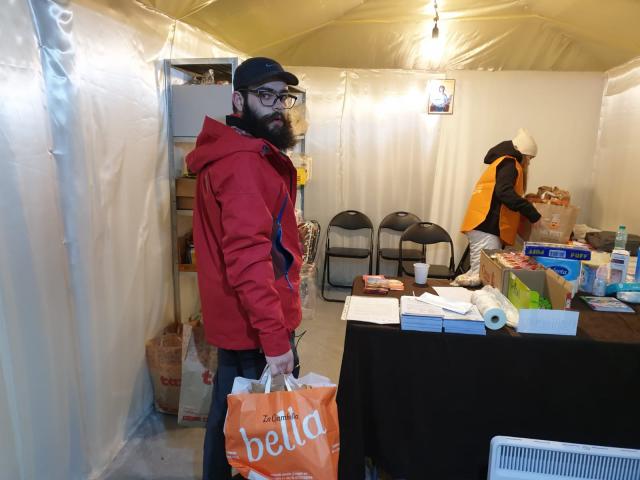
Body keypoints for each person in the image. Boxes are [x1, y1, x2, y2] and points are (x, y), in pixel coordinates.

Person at [186, 57, 303, 480]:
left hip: (241, 319)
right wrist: (274, 338)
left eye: (283, 97)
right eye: (265, 95)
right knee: (260, 430)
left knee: (230, 417)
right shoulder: (243, 162)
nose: (277, 107)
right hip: (254, 323)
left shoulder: (241, 152)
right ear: (238, 100)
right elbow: (248, 258)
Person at [457, 128, 541, 285]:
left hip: (483, 224)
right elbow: (505, 193)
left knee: (481, 274)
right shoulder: (510, 163)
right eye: (529, 158)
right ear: (524, 154)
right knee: (483, 277)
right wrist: (533, 214)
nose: (529, 163)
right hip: (486, 225)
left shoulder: (502, 162)